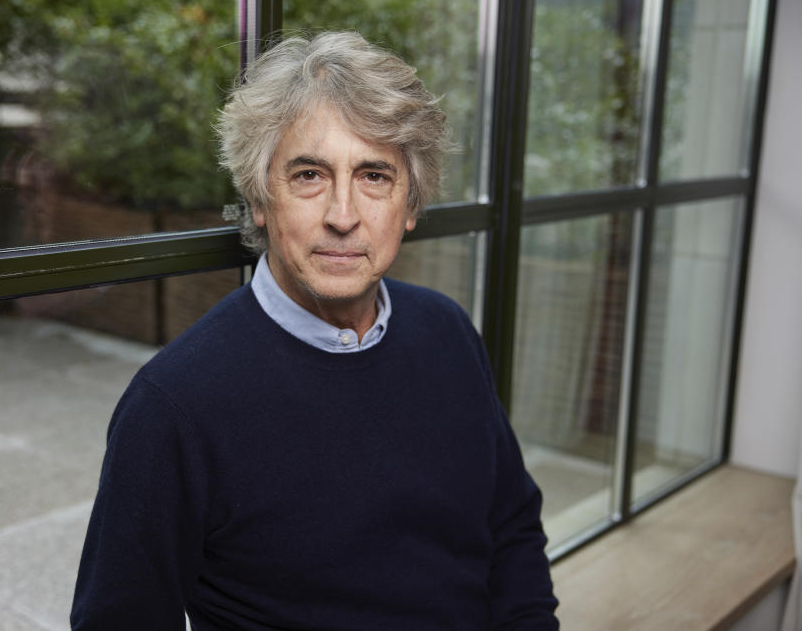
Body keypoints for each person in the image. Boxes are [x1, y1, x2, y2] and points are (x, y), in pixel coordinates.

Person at [71, 31, 558, 630]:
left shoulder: (447, 331)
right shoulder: (174, 406)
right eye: (309, 174)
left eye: (375, 176)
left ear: (410, 206)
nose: (343, 215)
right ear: (260, 198)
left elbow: (511, 525)